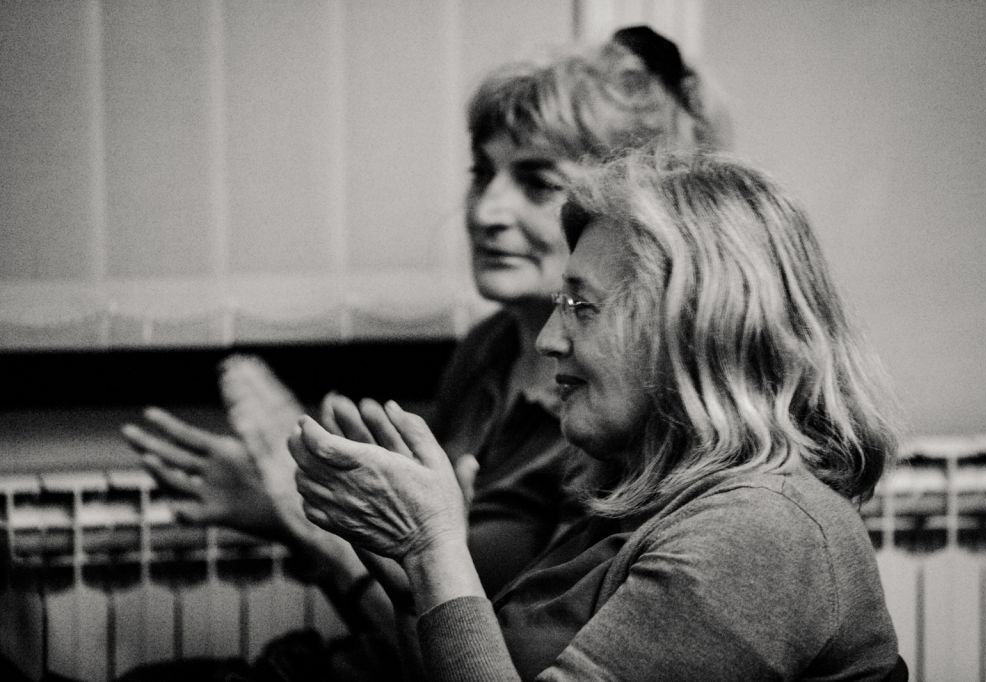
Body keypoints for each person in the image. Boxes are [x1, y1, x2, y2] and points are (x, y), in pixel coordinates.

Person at [119, 25, 729, 675]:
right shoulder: (485, 352)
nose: (486, 211)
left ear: (620, 212)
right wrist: (290, 509)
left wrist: (309, 528)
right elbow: (399, 603)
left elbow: (481, 655)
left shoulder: (609, 415)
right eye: (482, 173)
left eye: (537, 183)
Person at [289, 150, 906, 680]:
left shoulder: (759, 532)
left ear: (693, 330)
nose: (548, 340)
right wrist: (417, 587)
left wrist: (435, 552)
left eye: (581, 306)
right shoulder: (635, 499)